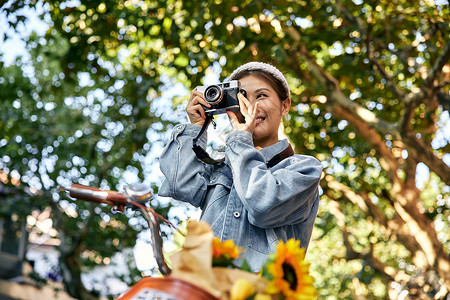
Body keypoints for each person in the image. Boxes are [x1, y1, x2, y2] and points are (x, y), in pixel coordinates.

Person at [159, 62, 323, 271]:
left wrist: (239, 140)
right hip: (204, 286)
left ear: (285, 105)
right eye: (242, 97)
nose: (251, 106)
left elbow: (262, 205)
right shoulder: (221, 165)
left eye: (262, 96)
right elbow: (179, 186)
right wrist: (195, 127)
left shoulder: (304, 169)